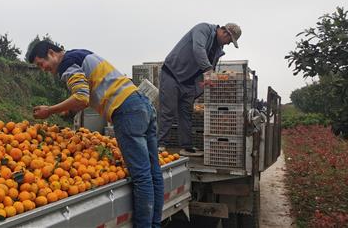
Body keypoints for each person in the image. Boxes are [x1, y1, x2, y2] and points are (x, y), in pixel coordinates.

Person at [26, 40, 163, 228]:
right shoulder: (79, 54)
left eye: (42, 64)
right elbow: (88, 93)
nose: (44, 69)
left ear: (51, 53)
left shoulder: (66, 64)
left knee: (142, 176)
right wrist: (69, 109)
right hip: (142, 103)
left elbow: (81, 97)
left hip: (126, 111)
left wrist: (50, 110)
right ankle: (154, 224)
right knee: (154, 172)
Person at [158, 22, 242, 156]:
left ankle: (186, 147)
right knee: (168, 111)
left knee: (186, 114)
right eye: (229, 41)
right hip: (172, 74)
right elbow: (198, 50)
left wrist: (203, 84)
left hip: (188, 82)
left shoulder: (217, 49)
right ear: (225, 33)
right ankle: (160, 146)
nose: (227, 44)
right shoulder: (203, 29)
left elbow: (210, 68)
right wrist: (209, 70)